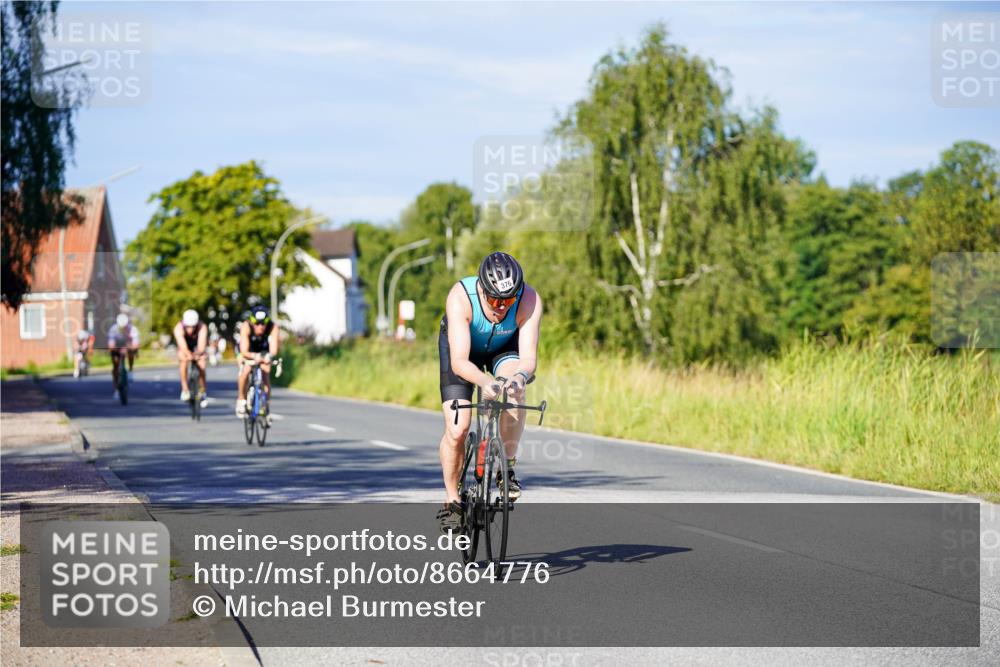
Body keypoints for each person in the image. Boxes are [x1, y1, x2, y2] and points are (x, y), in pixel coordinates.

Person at [436, 252, 542, 531]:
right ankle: (452, 501)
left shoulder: (529, 299)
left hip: (504, 350)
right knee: (458, 429)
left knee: (514, 393)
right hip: (463, 351)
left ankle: (506, 467)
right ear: (482, 289)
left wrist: (518, 377)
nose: (501, 307)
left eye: (508, 301)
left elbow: (528, 359)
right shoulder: (460, 297)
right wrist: (484, 383)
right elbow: (459, 362)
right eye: (495, 300)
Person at [236, 305, 279, 420]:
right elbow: (244, 351)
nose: (260, 327)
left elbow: (273, 349)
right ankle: (241, 399)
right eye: (257, 324)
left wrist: (268, 357)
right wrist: (254, 356)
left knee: (266, 373)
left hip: (263, 350)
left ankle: (266, 406)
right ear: (252, 322)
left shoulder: (273, 327)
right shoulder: (246, 326)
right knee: (245, 370)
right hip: (248, 351)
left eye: (263, 324)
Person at [173, 309, 208, 406]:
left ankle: (202, 390)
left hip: (197, 347)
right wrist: (188, 355)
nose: (190, 329)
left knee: (202, 365)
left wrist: (198, 355)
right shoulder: (178, 328)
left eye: (193, 327)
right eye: (188, 327)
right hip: (185, 346)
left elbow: (201, 345)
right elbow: (182, 345)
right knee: (183, 361)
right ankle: (185, 389)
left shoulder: (202, 327)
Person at [107, 313, 140, 399]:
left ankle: (130, 370)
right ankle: (116, 390)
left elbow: (136, 344)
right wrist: (115, 349)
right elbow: (111, 345)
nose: (123, 329)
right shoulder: (113, 329)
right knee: (115, 366)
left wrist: (130, 348)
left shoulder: (133, 329)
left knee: (132, 353)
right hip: (117, 347)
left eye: (124, 327)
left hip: (127, 345)